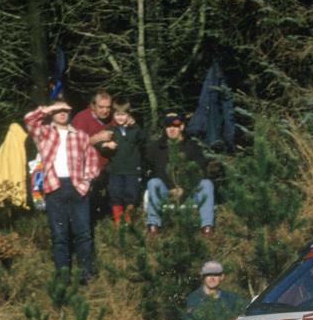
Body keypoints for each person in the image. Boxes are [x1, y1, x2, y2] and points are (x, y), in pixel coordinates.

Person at [24, 99, 100, 282]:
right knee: (59, 235)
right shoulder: (43, 133)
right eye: (58, 110)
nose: (62, 112)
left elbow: (92, 159)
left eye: (66, 109)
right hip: (54, 187)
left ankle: (85, 272)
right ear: (52, 113)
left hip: (77, 187)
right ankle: (63, 275)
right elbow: (29, 120)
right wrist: (48, 107)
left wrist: (87, 180)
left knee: (83, 233)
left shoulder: (80, 135)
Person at [143, 112, 215, 235]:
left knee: (206, 183)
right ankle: (153, 226)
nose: (171, 129)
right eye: (168, 126)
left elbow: (199, 171)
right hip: (166, 194)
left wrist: (185, 189)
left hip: (189, 193)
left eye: (175, 126)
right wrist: (171, 189)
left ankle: (207, 226)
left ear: (182, 127)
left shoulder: (193, 147)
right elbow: (149, 172)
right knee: (153, 182)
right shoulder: (155, 148)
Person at [72, 90, 114, 220]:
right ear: (93, 106)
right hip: (86, 167)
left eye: (108, 107)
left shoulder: (113, 118)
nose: (105, 111)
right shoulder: (81, 118)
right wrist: (97, 138)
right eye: (101, 107)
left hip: (108, 165)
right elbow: (75, 146)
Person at [102, 96, 144, 225]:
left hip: (132, 169)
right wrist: (106, 145)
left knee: (131, 193)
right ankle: (118, 220)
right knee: (115, 193)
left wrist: (135, 125)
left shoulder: (135, 129)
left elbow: (143, 140)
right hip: (115, 169)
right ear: (113, 115)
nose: (120, 117)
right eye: (117, 114)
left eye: (123, 114)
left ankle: (128, 218)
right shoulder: (110, 129)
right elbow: (100, 144)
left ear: (129, 115)